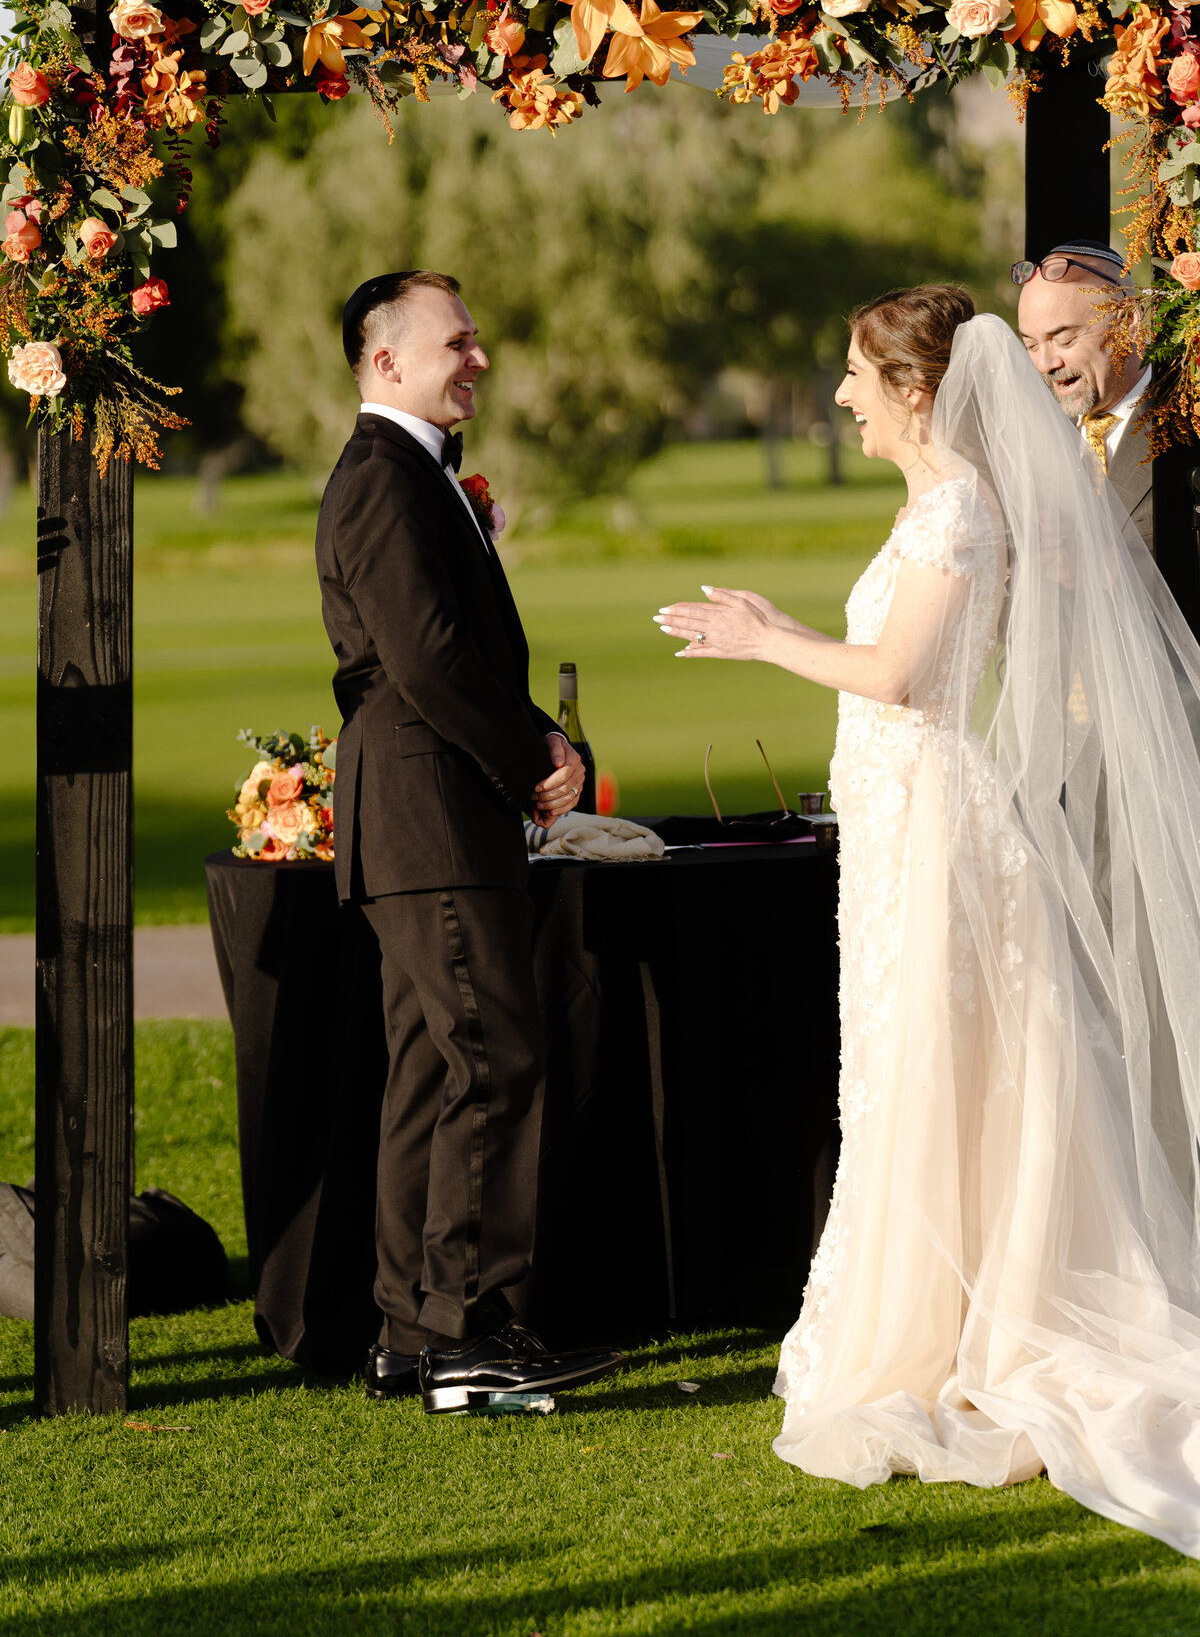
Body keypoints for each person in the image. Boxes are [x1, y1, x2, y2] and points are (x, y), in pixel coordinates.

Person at [654, 286, 1200, 1556]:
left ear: (914, 388)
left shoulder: (958, 507)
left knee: (938, 1071)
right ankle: (935, 1316)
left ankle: (959, 1330)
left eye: (855, 374)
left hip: (942, 833)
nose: (841, 397)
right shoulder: (940, 502)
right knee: (921, 1072)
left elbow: (902, 678)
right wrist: (786, 629)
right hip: (910, 828)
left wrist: (763, 640)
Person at [316, 270, 623, 1413]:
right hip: (432, 812)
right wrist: (531, 754)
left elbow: (450, 651)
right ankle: (470, 1331)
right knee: (492, 1062)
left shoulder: (411, 476)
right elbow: (430, 657)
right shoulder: (383, 481)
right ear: (386, 361)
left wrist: (531, 733)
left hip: (425, 811)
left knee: (435, 1070)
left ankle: (410, 1326)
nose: (478, 358)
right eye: (459, 342)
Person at [1015, 239, 1154, 552]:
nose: (1046, 364)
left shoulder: (1187, 420)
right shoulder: (1030, 437)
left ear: (1128, 322)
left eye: (1064, 340)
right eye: (1031, 345)